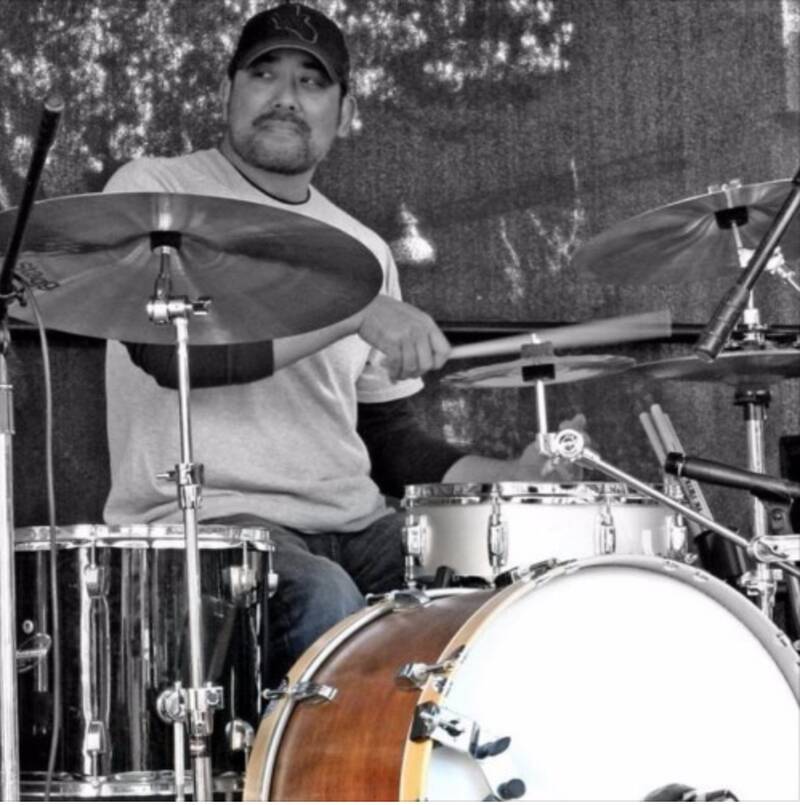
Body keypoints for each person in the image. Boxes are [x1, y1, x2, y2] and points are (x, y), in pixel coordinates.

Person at [103, 2, 582, 688]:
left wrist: (504, 476)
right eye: (264, 73)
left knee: (498, 583)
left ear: (345, 112)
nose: (286, 97)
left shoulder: (364, 249)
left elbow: (388, 440)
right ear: (226, 91)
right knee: (325, 595)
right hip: (212, 523)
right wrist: (352, 313)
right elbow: (172, 355)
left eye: (312, 81)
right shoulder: (156, 192)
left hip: (355, 524)